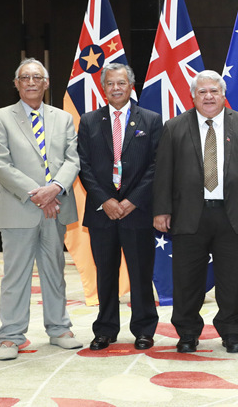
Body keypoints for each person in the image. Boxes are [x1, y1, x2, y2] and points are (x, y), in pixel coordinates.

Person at [153, 70, 238, 354]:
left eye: (214, 91)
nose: (208, 96)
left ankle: (232, 332)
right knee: (186, 280)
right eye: (202, 91)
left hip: (234, 215)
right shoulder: (174, 127)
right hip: (188, 215)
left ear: (223, 95)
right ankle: (187, 333)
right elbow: (163, 173)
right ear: (193, 96)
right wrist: (162, 210)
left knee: (234, 279)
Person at [0, 58, 83, 360]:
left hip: (56, 207)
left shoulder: (63, 119)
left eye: (37, 77)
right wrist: (40, 195)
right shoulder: (0, 118)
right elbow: (1, 165)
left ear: (46, 83)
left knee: (54, 271)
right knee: (16, 276)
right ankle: (10, 336)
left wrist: (54, 188)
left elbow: (73, 159)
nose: (31, 82)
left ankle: (59, 329)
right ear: (16, 84)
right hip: (19, 209)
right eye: (25, 77)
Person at [77, 63, 162, 351]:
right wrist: (106, 200)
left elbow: (156, 165)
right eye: (110, 83)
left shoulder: (150, 120)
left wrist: (131, 201)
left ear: (131, 86)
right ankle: (105, 329)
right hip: (102, 212)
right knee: (105, 274)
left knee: (140, 274)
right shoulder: (89, 121)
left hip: (137, 211)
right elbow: (83, 165)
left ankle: (144, 329)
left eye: (121, 83)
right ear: (103, 88)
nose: (116, 88)